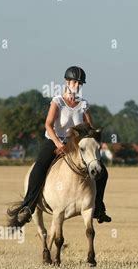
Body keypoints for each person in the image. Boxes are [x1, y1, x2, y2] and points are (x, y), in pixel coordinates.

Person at [15, 66, 112, 225]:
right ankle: (28, 207)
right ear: (67, 82)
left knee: (102, 171)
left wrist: (94, 138)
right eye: (74, 81)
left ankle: (99, 208)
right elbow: (48, 125)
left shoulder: (83, 104)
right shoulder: (57, 101)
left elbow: (90, 129)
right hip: (54, 141)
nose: (77, 85)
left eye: (80, 83)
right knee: (40, 167)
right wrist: (58, 143)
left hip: (75, 145)